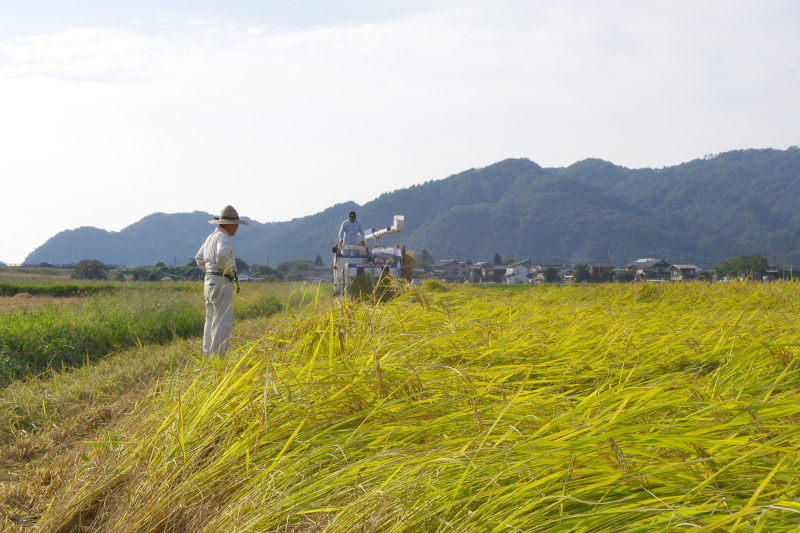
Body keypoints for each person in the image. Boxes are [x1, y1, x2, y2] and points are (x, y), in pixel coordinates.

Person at [195, 205, 248, 356]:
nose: (237, 228)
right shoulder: (223, 237)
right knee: (222, 321)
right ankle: (218, 358)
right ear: (230, 224)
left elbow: (199, 259)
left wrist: (211, 272)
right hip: (221, 282)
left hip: (209, 281)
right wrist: (228, 271)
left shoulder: (211, 237)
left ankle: (207, 356)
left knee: (210, 320)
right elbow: (221, 254)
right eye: (236, 225)